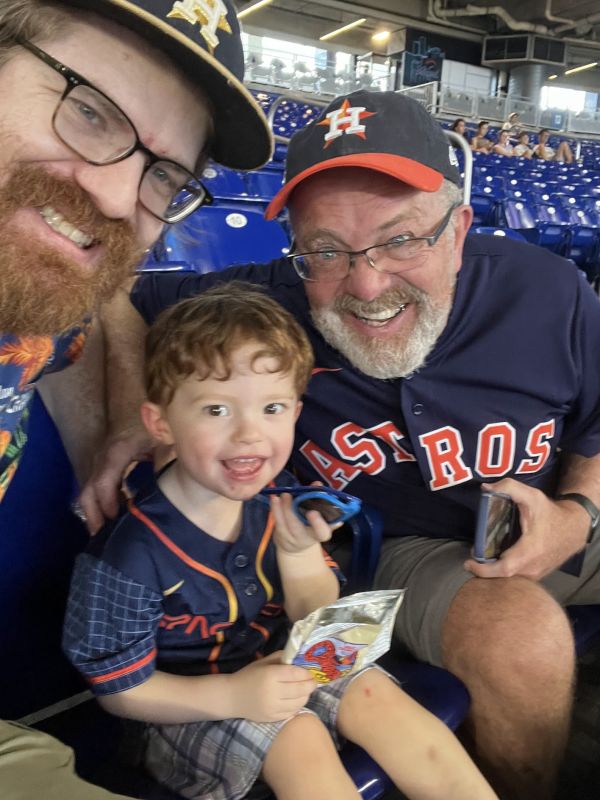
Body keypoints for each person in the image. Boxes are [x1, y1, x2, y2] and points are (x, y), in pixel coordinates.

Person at [83, 89, 600, 800]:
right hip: (406, 553)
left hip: (559, 513)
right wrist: (125, 424)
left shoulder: (547, 288)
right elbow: (120, 292)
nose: (366, 282)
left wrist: (578, 512)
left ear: (458, 228)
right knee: (518, 640)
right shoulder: (266, 309)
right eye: (325, 249)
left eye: (400, 238)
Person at [64, 284, 497, 800]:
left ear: (294, 412)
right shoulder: (127, 557)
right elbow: (121, 690)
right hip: (180, 709)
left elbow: (316, 611)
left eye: (272, 408)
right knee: (299, 736)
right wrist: (233, 694)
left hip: (281, 665)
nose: (250, 433)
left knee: (378, 694)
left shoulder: (279, 499)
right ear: (161, 422)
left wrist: (296, 555)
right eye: (217, 411)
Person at [0, 0, 271, 797]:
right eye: (87, 111)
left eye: (164, 177)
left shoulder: (27, 318)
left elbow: (101, 303)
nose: (122, 199)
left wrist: (122, 423)